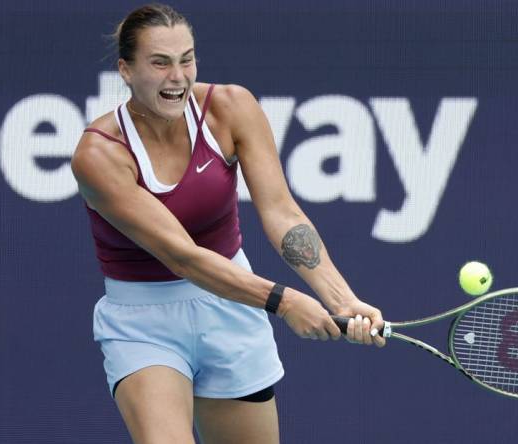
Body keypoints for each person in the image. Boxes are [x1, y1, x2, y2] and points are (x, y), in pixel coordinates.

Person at [71, 4, 386, 444]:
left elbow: (281, 212)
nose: (177, 76)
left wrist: (341, 297)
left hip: (231, 311)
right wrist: (284, 301)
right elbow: (183, 257)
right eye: (159, 63)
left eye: (186, 59)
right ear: (126, 69)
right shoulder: (100, 154)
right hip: (144, 324)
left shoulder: (231, 107)